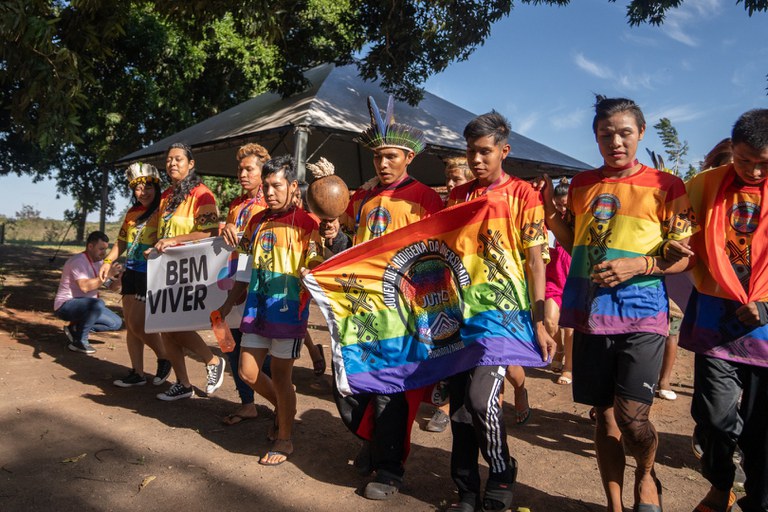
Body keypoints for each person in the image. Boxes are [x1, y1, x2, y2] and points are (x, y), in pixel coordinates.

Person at [539, 96, 695, 512]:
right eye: (606, 134)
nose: (616, 142)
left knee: (632, 418)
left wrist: (639, 265)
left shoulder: (667, 186)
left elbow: (686, 256)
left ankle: (646, 474)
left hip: (643, 314)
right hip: (590, 315)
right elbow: (575, 243)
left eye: (625, 133)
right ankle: (614, 503)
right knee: (605, 415)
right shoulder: (581, 184)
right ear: (596, 137)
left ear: (640, 132)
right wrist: (550, 214)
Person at [444, 111, 555, 512]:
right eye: (470, 152)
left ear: (504, 151)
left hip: (503, 316)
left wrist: (540, 320)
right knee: (460, 409)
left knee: (480, 400)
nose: (476, 159)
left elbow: (536, 261)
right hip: (459, 315)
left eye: (484, 152)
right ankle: (466, 490)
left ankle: (502, 470)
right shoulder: (458, 196)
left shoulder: (525, 194)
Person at [334, 96, 444, 500]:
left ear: (408, 158)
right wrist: (334, 233)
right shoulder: (362, 199)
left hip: (403, 311)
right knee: (348, 384)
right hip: (360, 307)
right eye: (378, 157)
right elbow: (346, 241)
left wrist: (429, 315)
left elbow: (435, 258)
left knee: (391, 392)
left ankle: (389, 470)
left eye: (391, 156)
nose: (382, 163)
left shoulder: (427, 199)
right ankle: (373, 439)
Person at [681, 109, 768, 512]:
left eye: (763, 163)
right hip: (716, 320)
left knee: (762, 431)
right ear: (732, 149)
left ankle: (757, 498)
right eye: (744, 159)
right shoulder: (704, 185)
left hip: (764, 326)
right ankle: (720, 484)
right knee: (713, 418)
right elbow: (679, 232)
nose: (753, 170)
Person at [217, 155, 323, 466]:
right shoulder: (256, 221)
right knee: (247, 372)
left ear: (293, 186)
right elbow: (244, 269)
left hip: (290, 314)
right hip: (256, 310)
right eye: (266, 186)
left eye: (276, 185)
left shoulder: (308, 224)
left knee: (280, 375)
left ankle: (284, 438)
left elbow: (316, 263)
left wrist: (311, 270)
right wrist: (228, 303)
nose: (270, 192)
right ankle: (286, 407)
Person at [152, 142, 227, 401]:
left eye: (178, 159)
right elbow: (162, 233)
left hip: (189, 271)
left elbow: (210, 232)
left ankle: (212, 360)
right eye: (169, 160)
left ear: (191, 164)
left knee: (174, 324)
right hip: (165, 270)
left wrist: (175, 241)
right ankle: (183, 384)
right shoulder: (166, 196)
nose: (172, 163)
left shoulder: (202, 194)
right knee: (164, 327)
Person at [217, 143, 274, 424]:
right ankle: (247, 403)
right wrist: (226, 227)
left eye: (249, 169)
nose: (242, 174)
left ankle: (281, 403)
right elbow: (230, 242)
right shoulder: (235, 204)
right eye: (240, 169)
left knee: (264, 351)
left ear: (263, 172)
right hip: (232, 281)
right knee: (230, 344)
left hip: (259, 284)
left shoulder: (270, 204)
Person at [100, 163, 171, 386]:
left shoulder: (163, 210)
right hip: (131, 271)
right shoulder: (132, 212)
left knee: (138, 324)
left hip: (150, 273)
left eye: (148, 187)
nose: (143, 192)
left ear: (156, 187)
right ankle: (137, 373)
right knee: (131, 326)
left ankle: (165, 357)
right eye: (138, 189)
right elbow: (121, 241)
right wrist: (108, 261)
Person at [425, 155, 474, 434]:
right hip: (443, 291)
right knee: (446, 348)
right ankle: (444, 406)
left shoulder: (480, 208)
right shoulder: (442, 207)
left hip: (474, 295)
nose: (451, 184)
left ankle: (517, 391)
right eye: (448, 179)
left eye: (457, 179)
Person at [54, 231, 124, 354]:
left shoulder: (100, 263)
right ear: (90, 246)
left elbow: (112, 287)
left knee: (115, 323)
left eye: (105, 249)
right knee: (98, 303)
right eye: (101, 249)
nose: (104, 253)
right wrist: (107, 275)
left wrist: (120, 279)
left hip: (89, 307)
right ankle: (79, 342)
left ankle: (75, 328)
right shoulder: (78, 261)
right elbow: (85, 287)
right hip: (66, 306)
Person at [544, 178, 575, 386]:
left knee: (570, 328)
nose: (562, 208)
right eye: (558, 204)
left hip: (573, 279)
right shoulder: (551, 219)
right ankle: (560, 349)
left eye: (565, 204)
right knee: (549, 320)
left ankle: (568, 368)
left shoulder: (577, 219)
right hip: (554, 279)